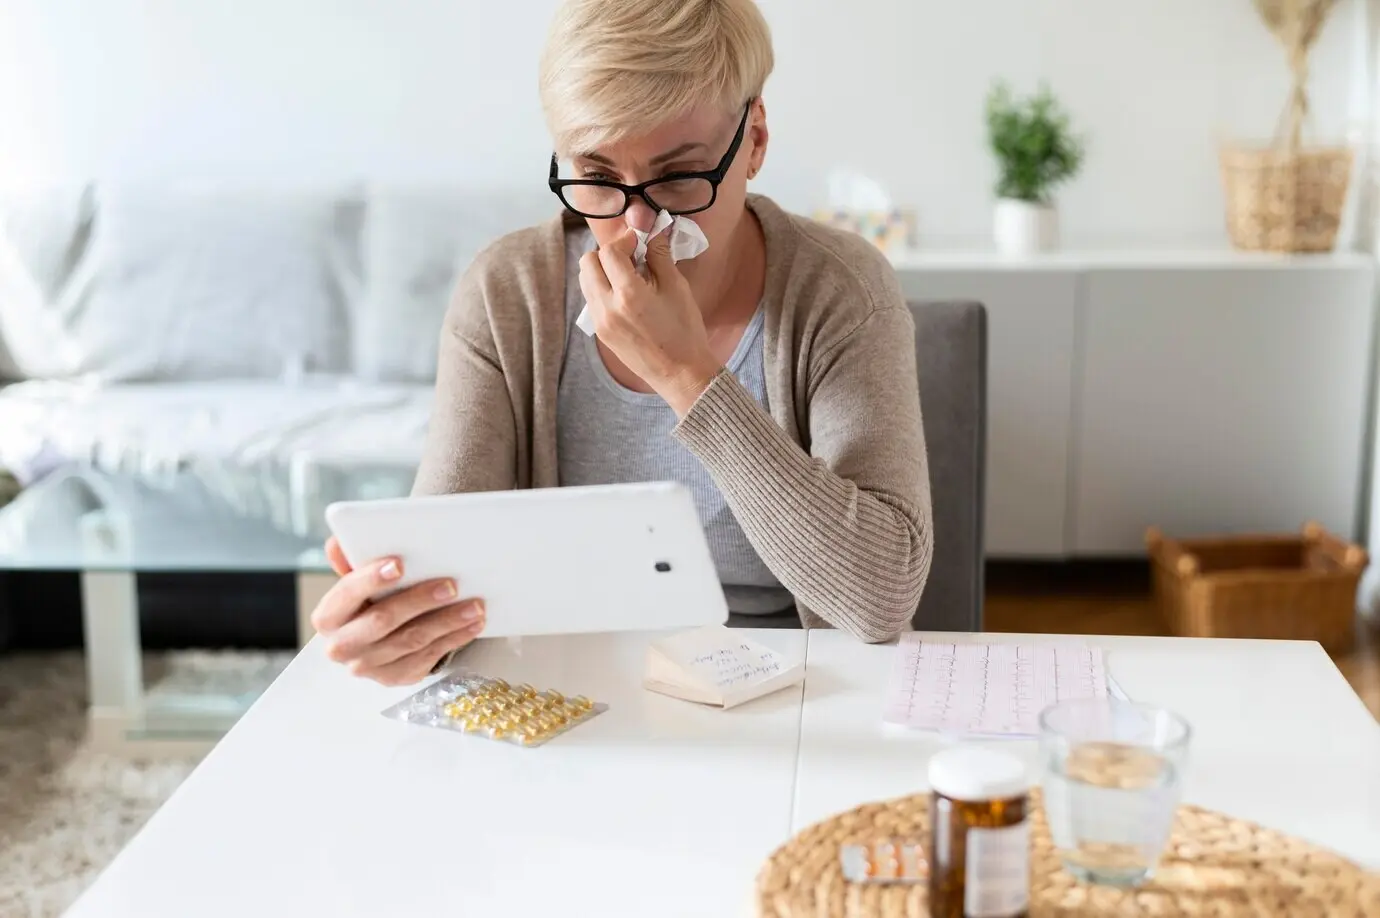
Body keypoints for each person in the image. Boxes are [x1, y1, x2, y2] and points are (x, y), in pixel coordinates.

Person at [310, 0, 933, 686]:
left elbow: (881, 598)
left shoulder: (839, 289)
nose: (640, 222)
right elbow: (445, 570)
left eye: (677, 177)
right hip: (568, 697)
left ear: (754, 140)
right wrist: (403, 630)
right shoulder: (509, 294)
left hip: (788, 697)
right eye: (599, 178)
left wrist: (689, 376)